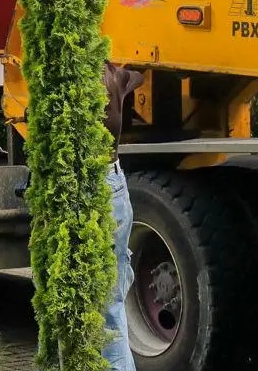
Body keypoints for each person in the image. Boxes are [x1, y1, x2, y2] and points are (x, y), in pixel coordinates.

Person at [102, 61, 144, 371]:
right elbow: (137, 77)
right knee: (111, 305)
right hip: (113, 183)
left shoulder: (67, 82)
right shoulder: (113, 78)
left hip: (83, 185)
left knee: (98, 311)